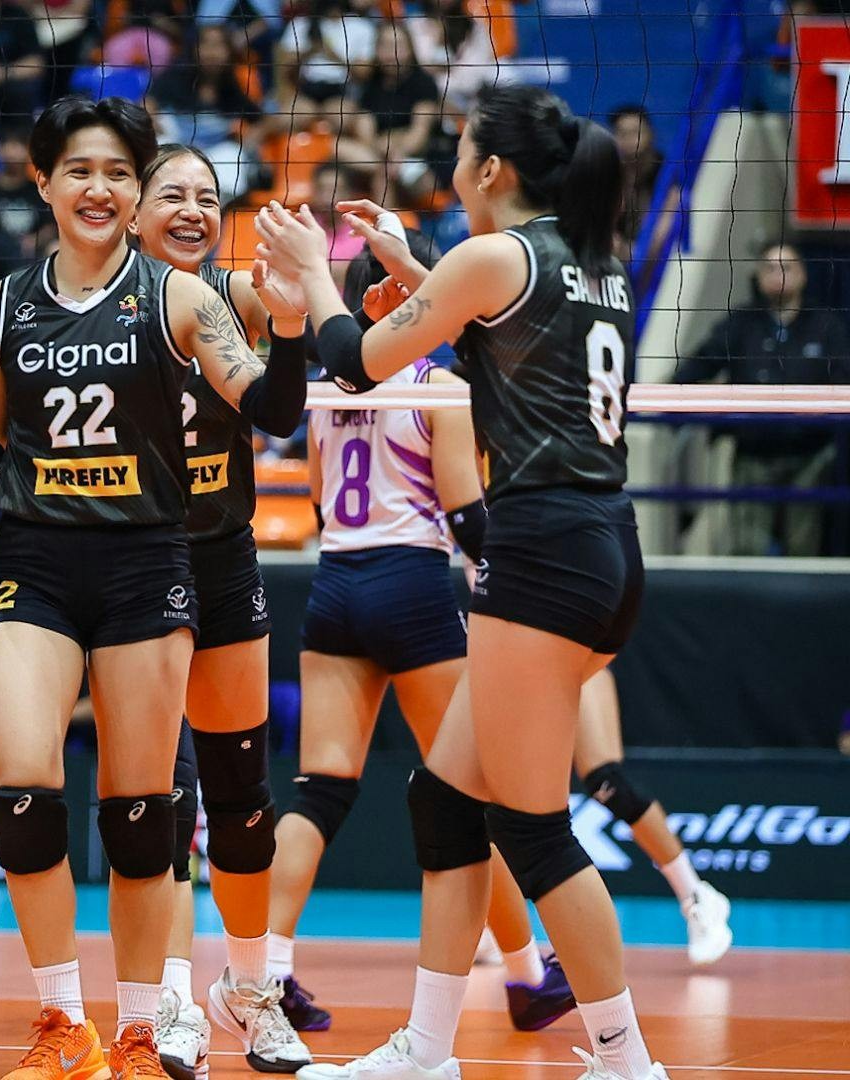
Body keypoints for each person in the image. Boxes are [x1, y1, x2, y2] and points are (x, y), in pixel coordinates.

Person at [0, 97, 307, 1080]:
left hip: (147, 564)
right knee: (23, 795)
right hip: (33, 561)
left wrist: (287, 323)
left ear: (134, 189)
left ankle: (142, 1029)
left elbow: (276, 410)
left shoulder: (181, 298)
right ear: (44, 182)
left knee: (141, 812)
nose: (100, 188)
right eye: (80, 170)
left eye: (118, 172)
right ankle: (63, 1023)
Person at [258, 82, 669, 1080]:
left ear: (489, 169)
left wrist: (313, 273)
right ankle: (427, 1049)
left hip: (544, 551)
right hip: (600, 544)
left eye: (458, 150)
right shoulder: (590, 263)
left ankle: (627, 1063)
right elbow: (494, 334)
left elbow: (354, 360)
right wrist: (411, 265)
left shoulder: (492, 259)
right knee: (445, 800)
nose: (449, 166)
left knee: (530, 827)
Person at [264, 225, 576, 1039]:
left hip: (336, 583)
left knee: (319, 789)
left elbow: (321, 503)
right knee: (472, 793)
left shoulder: (327, 389)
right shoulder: (439, 384)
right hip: (412, 585)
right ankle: (526, 974)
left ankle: (265, 971)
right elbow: (467, 515)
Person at [119, 143, 312, 1077]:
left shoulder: (233, 298)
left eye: (208, 196)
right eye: (173, 195)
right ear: (133, 210)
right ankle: (169, 998)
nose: (193, 209)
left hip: (224, 558)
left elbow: (284, 401)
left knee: (242, 800)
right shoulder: (98, 310)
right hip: (132, 562)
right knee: (160, 795)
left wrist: (302, 314)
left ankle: (249, 989)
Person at [673, 239, 850, 557]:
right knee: (748, 549)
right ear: (758, 275)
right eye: (769, 268)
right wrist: (662, 393)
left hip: (809, 455)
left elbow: (844, 376)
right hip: (753, 453)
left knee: (802, 551)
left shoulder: (826, 326)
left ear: (803, 274)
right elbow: (701, 362)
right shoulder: (741, 324)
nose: (778, 275)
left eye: (786, 267)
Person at [574, 669, 732, 966]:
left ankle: (696, 896)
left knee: (606, 782)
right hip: (506, 667)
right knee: (497, 792)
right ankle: (494, 930)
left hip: (568, 657)